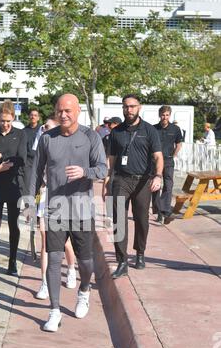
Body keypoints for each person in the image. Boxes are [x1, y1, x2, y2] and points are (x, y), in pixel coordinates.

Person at [29, 94, 107, 332]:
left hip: (82, 209)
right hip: (54, 209)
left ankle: (84, 290)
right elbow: (35, 171)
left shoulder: (91, 137)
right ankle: (54, 310)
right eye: (59, 111)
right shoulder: (47, 138)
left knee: (85, 262)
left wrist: (85, 172)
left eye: (68, 111)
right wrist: (29, 203)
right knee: (53, 259)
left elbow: (103, 169)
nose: (63, 115)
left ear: (78, 111)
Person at [102, 94, 163, 278]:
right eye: (126, 106)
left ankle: (140, 253)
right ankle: (122, 261)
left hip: (143, 181)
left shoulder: (150, 130)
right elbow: (110, 160)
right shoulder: (116, 132)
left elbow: (158, 156)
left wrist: (158, 176)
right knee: (118, 220)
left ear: (139, 107)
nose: (129, 110)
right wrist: (106, 183)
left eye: (132, 106)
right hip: (121, 180)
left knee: (142, 220)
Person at [35, 115, 77, 300]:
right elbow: (34, 174)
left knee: (64, 241)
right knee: (45, 241)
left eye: (49, 127)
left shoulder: (65, 147)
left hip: (62, 197)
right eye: (44, 127)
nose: (45, 130)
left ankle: (71, 268)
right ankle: (44, 282)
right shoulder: (41, 147)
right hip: (44, 195)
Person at [0, 100, 27, 279]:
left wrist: (1, 157)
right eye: (2, 121)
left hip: (12, 186)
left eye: (8, 121)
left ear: (13, 118)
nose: (5, 124)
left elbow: (21, 159)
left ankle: (12, 263)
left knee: (13, 225)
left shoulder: (20, 134)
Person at [152, 105, 183, 224]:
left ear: (170, 115)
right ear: (159, 115)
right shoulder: (153, 128)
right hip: (155, 162)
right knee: (155, 187)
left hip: (169, 161)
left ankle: (164, 210)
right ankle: (158, 212)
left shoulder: (175, 129)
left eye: (167, 115)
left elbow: (179, 144)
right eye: (163, 115)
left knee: (168, 186)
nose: (165, 117)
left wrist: (173, 155)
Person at [22, 108, 42, 193]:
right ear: (29, 117)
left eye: (35, 115)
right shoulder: (23, 131)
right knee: (28, 185)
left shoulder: (42, 130)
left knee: (40, 185)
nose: (33, 117)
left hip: (41, 160)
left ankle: (38, 204)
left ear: (38, 118)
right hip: (28, 162)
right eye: (31, 115)